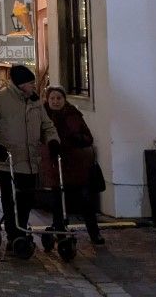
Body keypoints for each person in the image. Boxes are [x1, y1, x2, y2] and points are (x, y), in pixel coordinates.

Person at [0, 65, 60, 253]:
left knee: (26, 198)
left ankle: (20, 228)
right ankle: (14, 234)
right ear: (21, 84)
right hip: (7, 160)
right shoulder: (0, 100)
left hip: (31, 160)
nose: (33, 86)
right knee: (11, 198)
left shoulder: (35, 102)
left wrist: (53, 141)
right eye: (31, 83)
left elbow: (47, 126)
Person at [41, 86, 105, 245]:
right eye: (52, 98)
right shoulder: (42, 116)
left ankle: (94, 233)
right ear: (47, 100)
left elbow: (88, 137)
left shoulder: (73, 114)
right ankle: (60, 232)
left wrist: (78, 139)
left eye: (59, 98)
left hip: (76, 165)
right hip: (55, 164)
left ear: (64, 99)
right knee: (57, 200)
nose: (55, 101)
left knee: (85, 199)